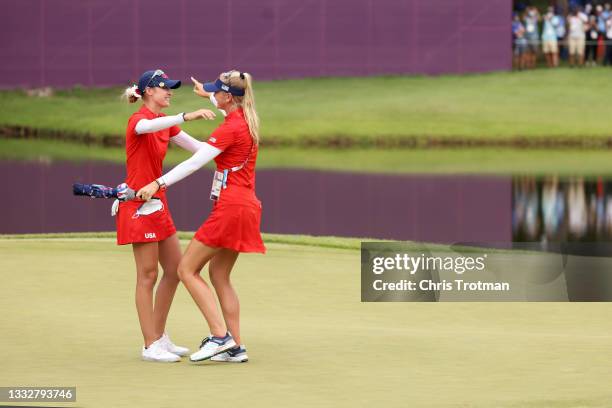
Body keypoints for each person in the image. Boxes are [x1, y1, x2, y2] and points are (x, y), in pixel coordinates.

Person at [137, 70, 265, 363]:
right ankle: (235, 347)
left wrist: (158, 183)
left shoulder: (230, 127)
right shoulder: (244, 119)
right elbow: (224, 105)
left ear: (228, 97)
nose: (212, 95)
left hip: (230, 208)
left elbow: (195, 163)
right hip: (247, 207)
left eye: (215, 92)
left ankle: (221, 337)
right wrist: (207, 93)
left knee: (185, 269)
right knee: (220, 275)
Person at [118, 69, 217, 362]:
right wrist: (186, 116)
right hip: (139, 204)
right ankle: (150, 344)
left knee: (175, 270)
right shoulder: (139, 121)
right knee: (147, 275)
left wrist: (228, 153)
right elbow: (147, 128)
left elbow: (199, 150)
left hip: (158, 200)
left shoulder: (166, 125)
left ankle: (159, 336)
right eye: (164, 88)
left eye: (171, 89)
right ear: (149, 91)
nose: (169, 92)